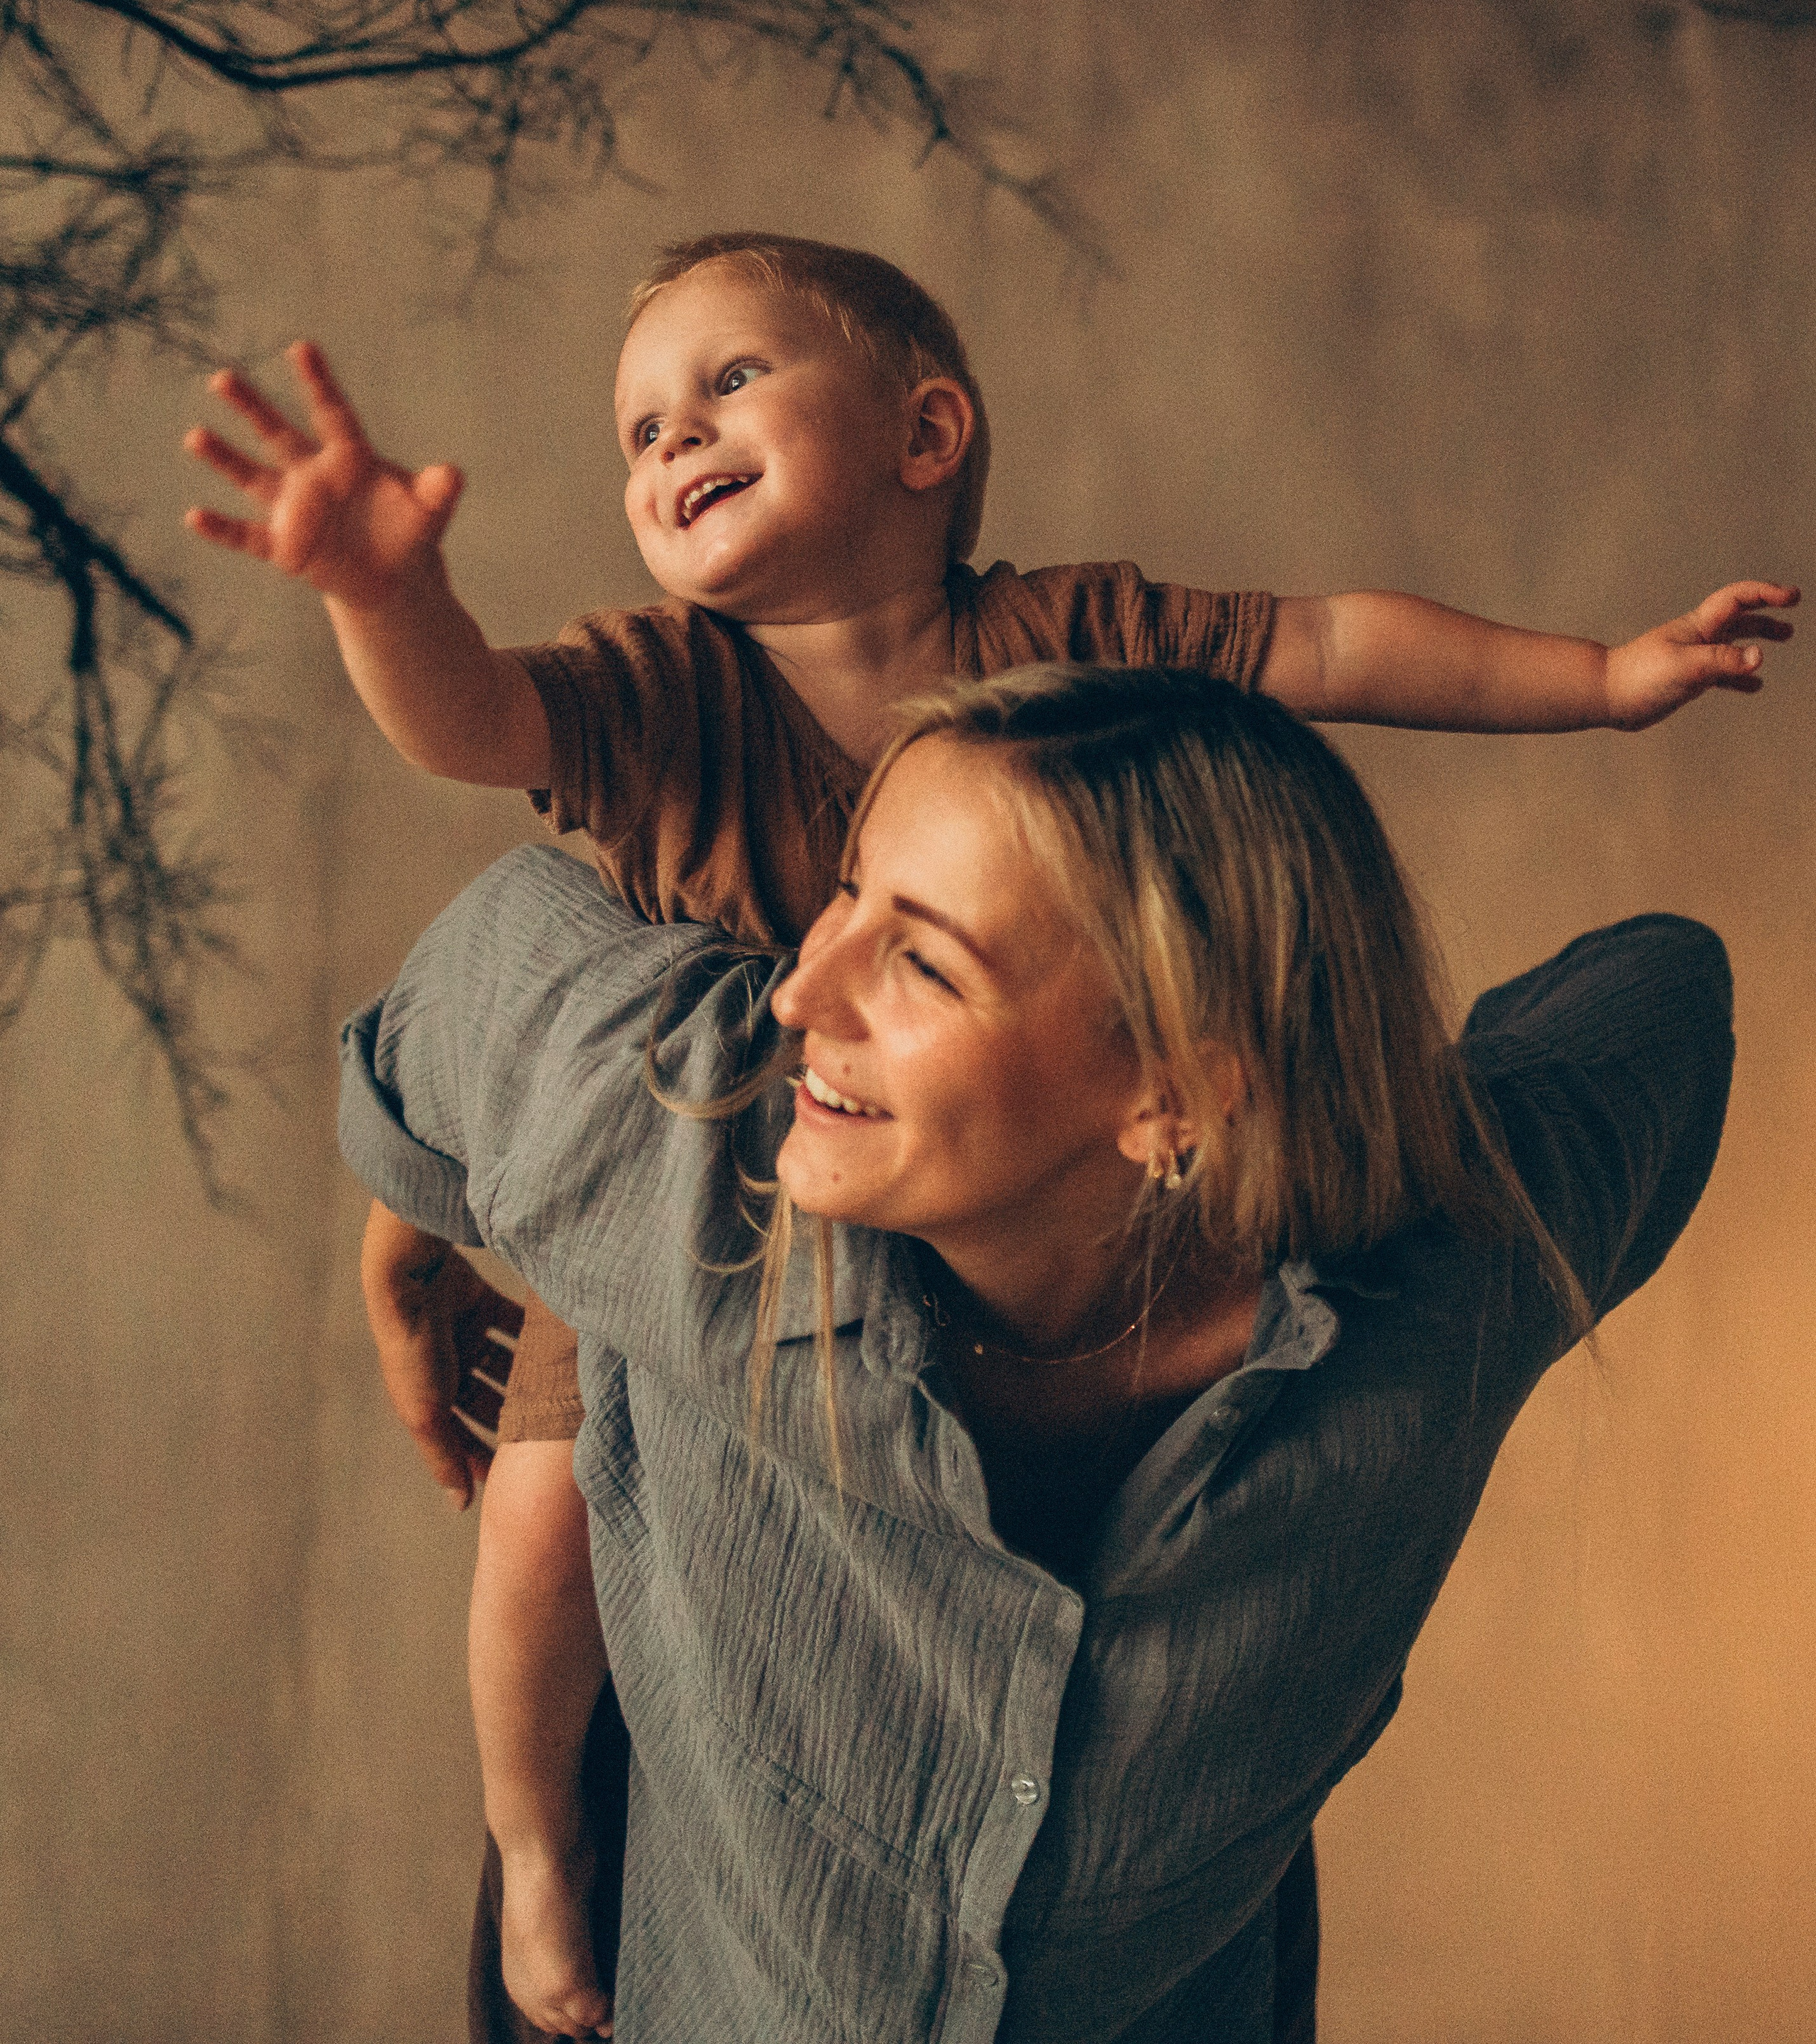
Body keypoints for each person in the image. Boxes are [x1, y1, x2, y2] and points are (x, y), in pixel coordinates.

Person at [185, 233, 1793, 2035]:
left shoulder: (1076, 655)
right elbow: (473, 777)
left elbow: (1370, 680)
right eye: (636, 429)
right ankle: (541, 1842)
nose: (801, 983)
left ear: (925, 433)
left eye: (724, 388)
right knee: (543, 1519)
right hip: (707, 1206)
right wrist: (378, 598)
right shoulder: (670, 769)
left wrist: (1600, 675)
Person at [338, 664, 1735, 2044]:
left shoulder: (1445, 1282)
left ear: (1171, 1090)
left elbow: (1666, 990)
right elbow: (488, 952)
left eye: (924, 961)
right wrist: (412, 1219)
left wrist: (1368, 1134)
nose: (800, 990)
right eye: (848, 892)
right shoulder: (695, 1155)